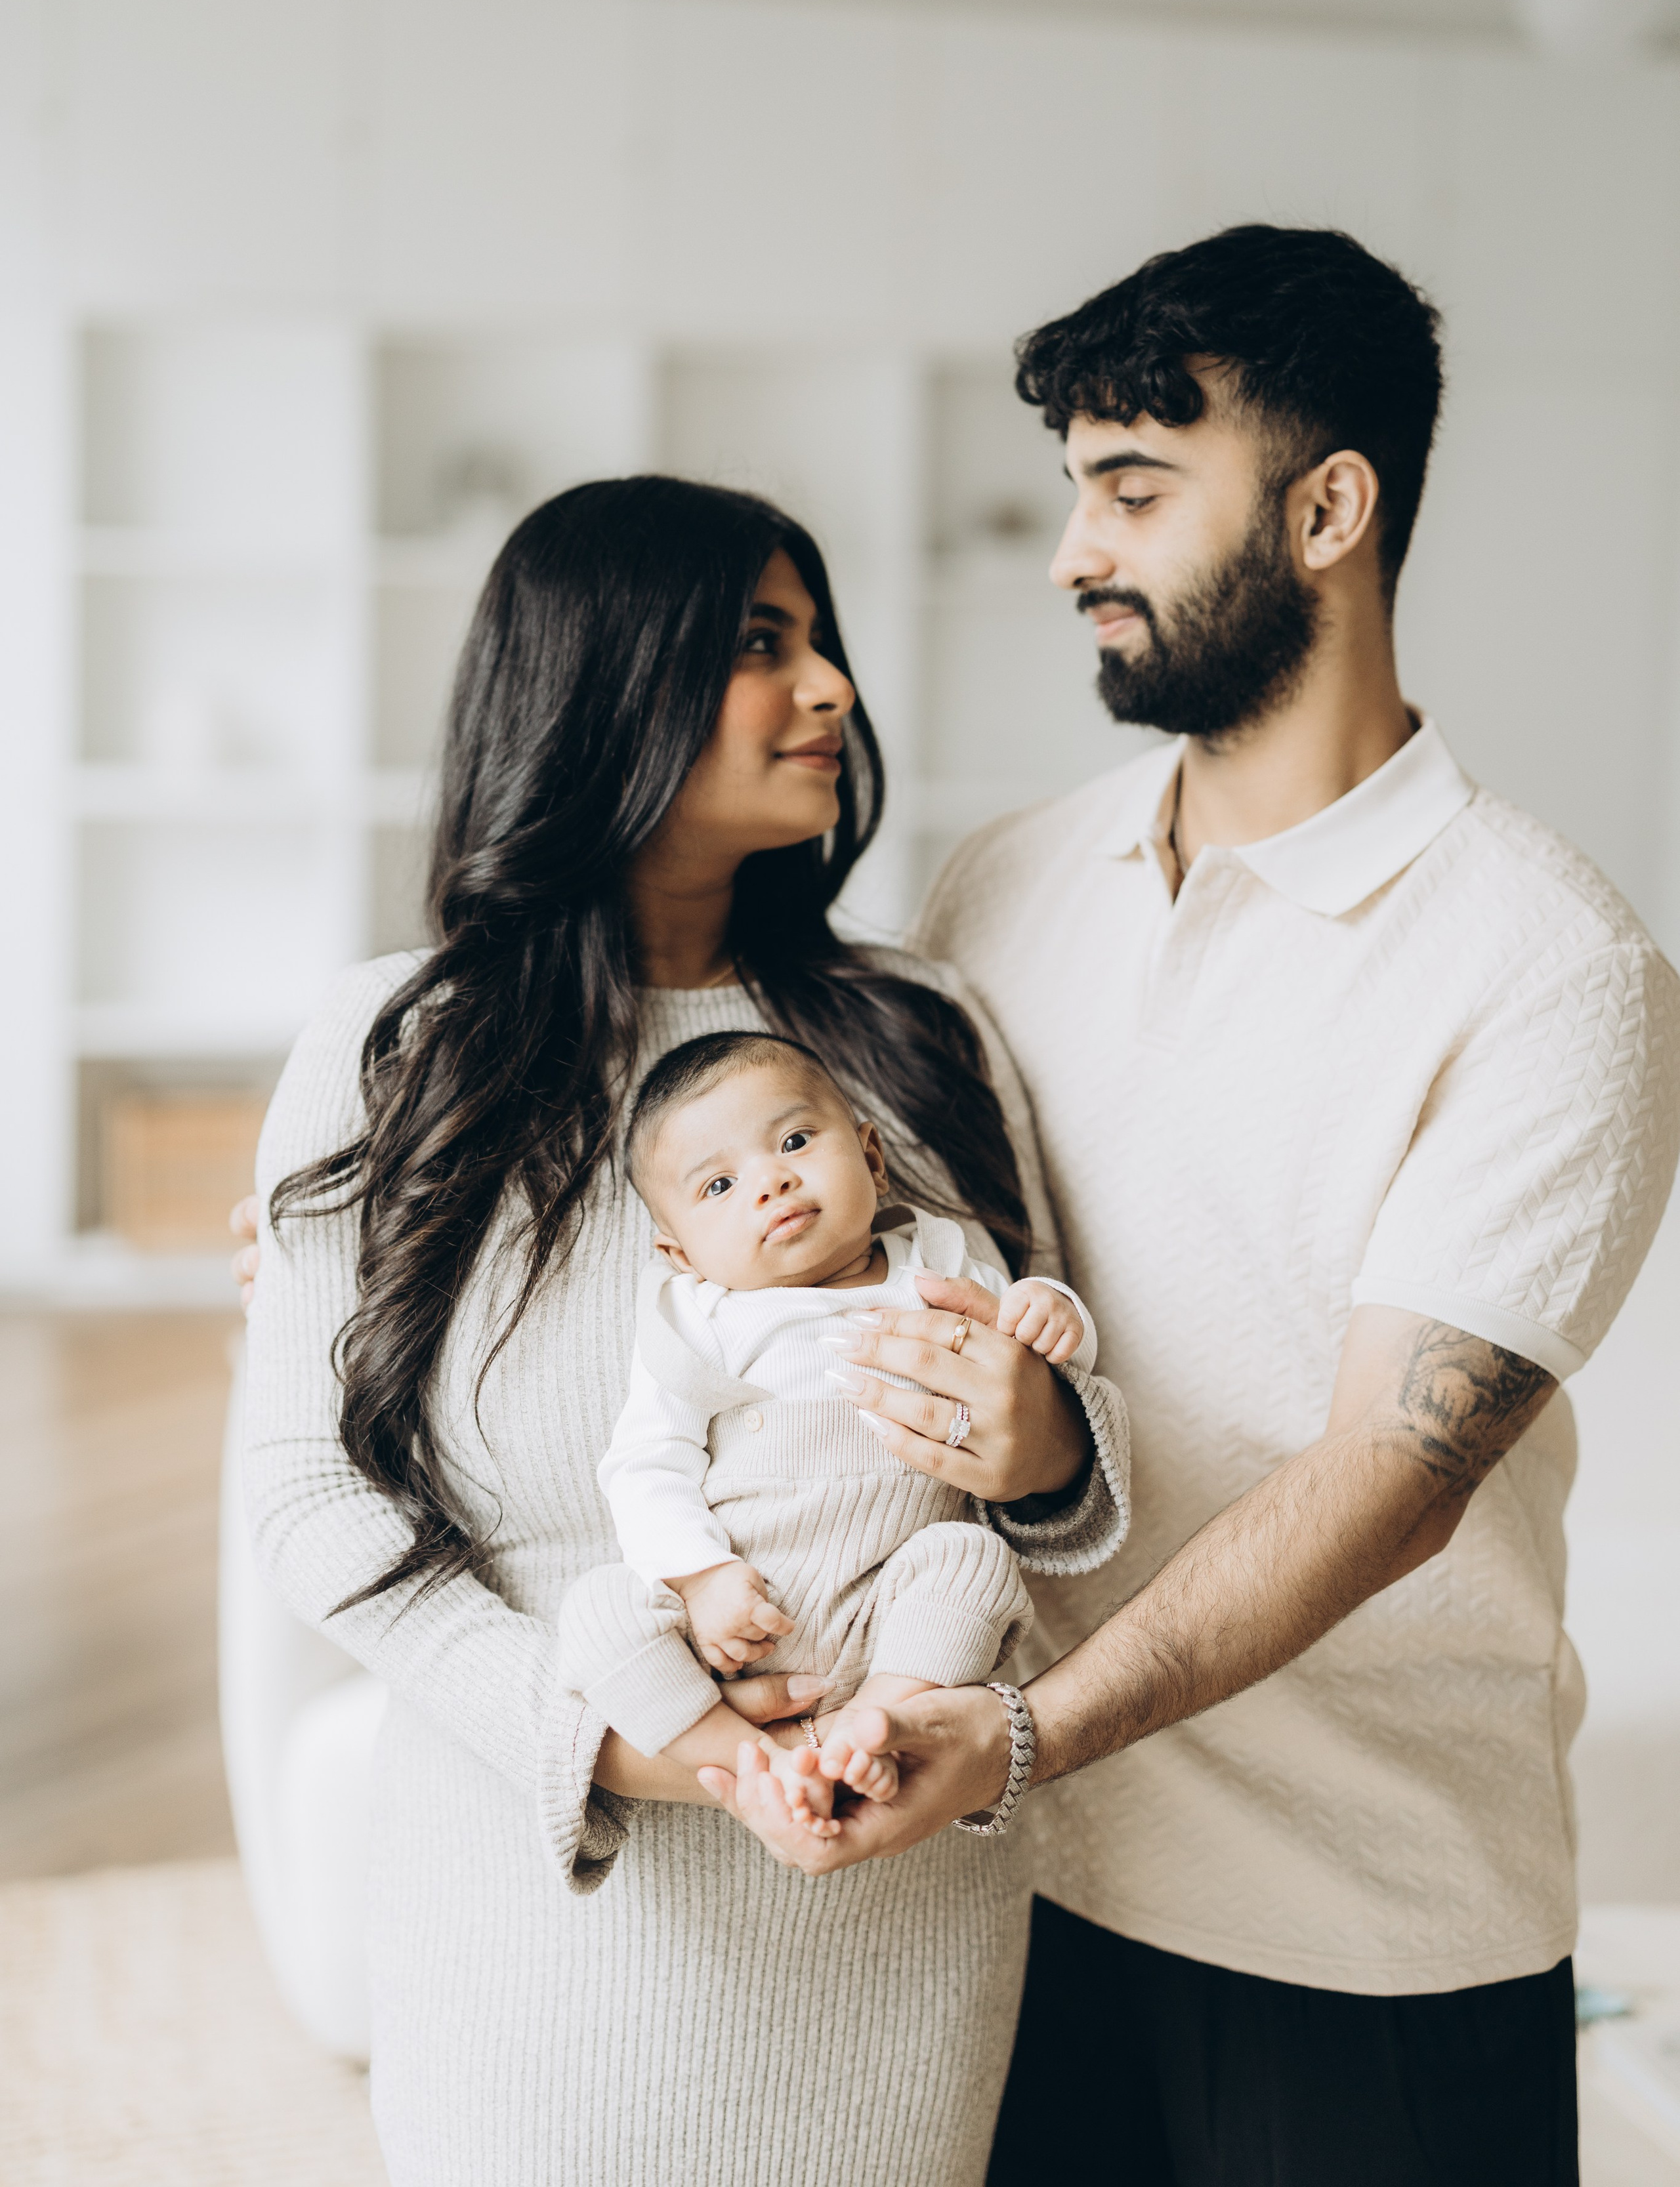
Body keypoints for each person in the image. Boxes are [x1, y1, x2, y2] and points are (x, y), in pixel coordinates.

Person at [705, 226, 1680, 2187]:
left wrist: (1031, 1730)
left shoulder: (1548, 958)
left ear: (1331, 507)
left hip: (1369, 1929)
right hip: (1019, 1888)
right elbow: (792, 1162)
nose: (1075, 548)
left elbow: (1386, 1480)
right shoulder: (1007, 882)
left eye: (1136, 488)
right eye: (1074, 485)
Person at [238, 476, 1128, 2187]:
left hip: (891, 1904)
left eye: (823, 644)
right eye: (758, 645)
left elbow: (1077, 1459)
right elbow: (309, 1499)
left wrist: (1044, 1449)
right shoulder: (393, 1050)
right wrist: (617, 1745)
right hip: (539, 1891)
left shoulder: (922, 1034)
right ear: (601, 681)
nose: (832, 692)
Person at [553, 1028, 1104, 1831]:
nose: (771, 1182)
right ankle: (752, 1761)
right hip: (735, 1621)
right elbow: (643, 1464)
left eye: (796, 1141)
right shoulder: (701, 1321)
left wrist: (1056, 1315)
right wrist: (700, 1579)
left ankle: (873, 1727)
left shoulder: (940, 1273)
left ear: (872, 1159)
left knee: (971, 1561)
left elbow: (1051, 1371)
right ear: (681, 1254)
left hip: (892, 1606)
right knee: (597, 1613)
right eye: (718, 1187)